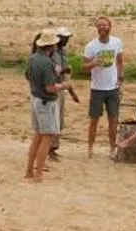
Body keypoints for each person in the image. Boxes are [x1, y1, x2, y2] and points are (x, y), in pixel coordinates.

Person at [24, 28, 68, 182]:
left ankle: (30, 169)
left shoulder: (33, 58)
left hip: (36, 99)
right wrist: (64, 86)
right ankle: (39, 173)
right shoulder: (47, 62)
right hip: (46, 102)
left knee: (37, 136)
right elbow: (50, 87)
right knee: (46, 138)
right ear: (52, 46)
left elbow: (27, 76)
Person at [82, 15, 124, 158]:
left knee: (113, 119)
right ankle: (90, 147)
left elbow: (119, 60)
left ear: (109, 27)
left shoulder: (116, 42)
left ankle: (112, 148)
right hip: (97, 88)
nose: (101, 28)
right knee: (94, 119)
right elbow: (84, 67)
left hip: (112, 88)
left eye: (104, 25)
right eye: (99, 25)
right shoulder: (91, 46)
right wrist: (93, 63)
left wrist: (120, 77)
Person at [47, 28, 81, 161]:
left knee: (59, 120)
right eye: (65, 38)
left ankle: (54, 147)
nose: (67, 40)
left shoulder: (62, 52)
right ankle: (49, 149)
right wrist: (63, 71)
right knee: (54, 120)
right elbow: (52, 71)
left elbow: (65, 76)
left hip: (61, 88)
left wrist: (72, 92)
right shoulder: (52, 53)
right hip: (53, 87)